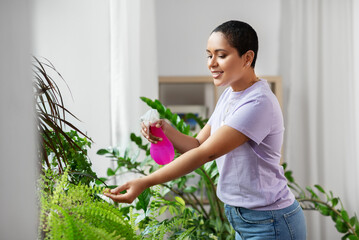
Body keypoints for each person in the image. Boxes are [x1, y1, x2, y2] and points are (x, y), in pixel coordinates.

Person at [104, 20, 307, 239]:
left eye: (221, 55)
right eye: (209, 55)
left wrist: (145, 182)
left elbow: (205, 154)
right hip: (246, 219)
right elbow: (198, 144)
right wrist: (166, 130)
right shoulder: (231, 94)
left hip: (270, 222)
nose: (212, 63)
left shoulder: (258, 103)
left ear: (247, 58)